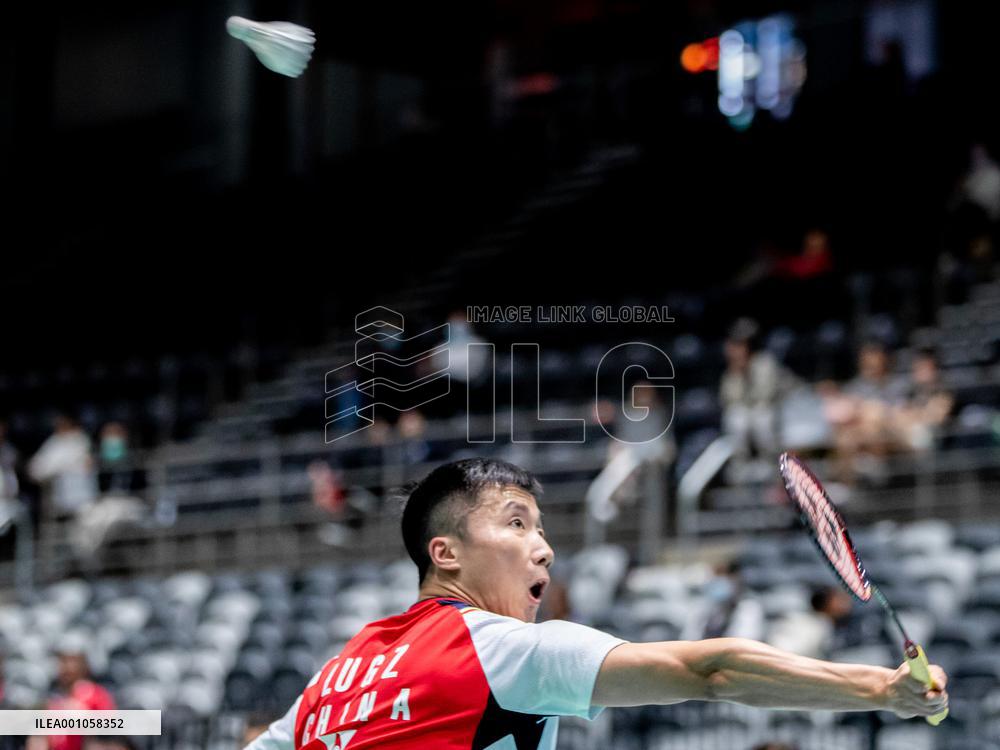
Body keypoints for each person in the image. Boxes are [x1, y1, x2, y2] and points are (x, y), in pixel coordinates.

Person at [246, 458, 947, 750]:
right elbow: (713, 670)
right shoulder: (501, 653)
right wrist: (882, 688)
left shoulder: (339, 672)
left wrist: (128, 715)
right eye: (517, 524)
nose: (544, 548)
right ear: (446, 553)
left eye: (542, 529)